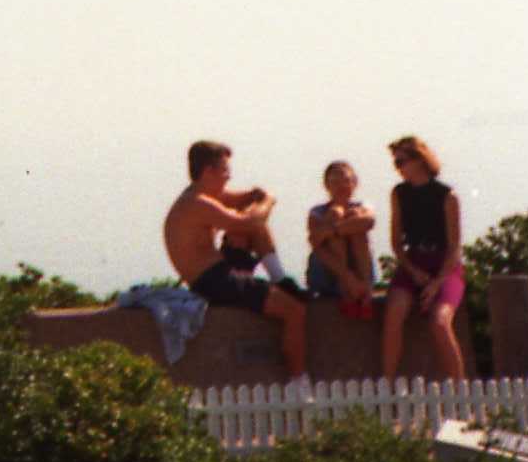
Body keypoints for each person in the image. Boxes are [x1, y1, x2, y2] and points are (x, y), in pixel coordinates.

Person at [163, 140, 309, 380]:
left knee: (251, 223)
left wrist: (257, 197)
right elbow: (250, 222)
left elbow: (246, 201)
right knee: (294, 310)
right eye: (225, 171)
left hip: (218, 270)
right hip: (213, 281)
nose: (229, 177)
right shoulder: (197, 203)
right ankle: (299, 382)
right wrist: (268, 202)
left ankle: (279, 278)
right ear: (209, 172)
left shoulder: (206, 195)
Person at [380, 135, 465, 382]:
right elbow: (396, 242)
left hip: (444, 266)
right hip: (413, 262)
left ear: (419, 160)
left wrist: (437, 283)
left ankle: (461, 391)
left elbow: (454, 247)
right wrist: (412, 270)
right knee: (394, 314)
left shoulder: (447, 196)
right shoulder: (399, 193)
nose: (398, 168)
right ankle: (388, 385)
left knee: (439, 322)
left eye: (401, 161)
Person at [306, 161, 377, 318]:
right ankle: (347, 290)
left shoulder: (362, 206)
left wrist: (333, 230)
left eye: (346, 181)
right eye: (335, 182)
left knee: (354, 218)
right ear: (327, 185)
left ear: (355, 182)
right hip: (329, 272)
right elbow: (315, 242)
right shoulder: (317, 212)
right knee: (335, 213)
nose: (341, 186)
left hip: (360, 270)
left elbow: (368, 222)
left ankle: (364, 291)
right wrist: (348, 278)